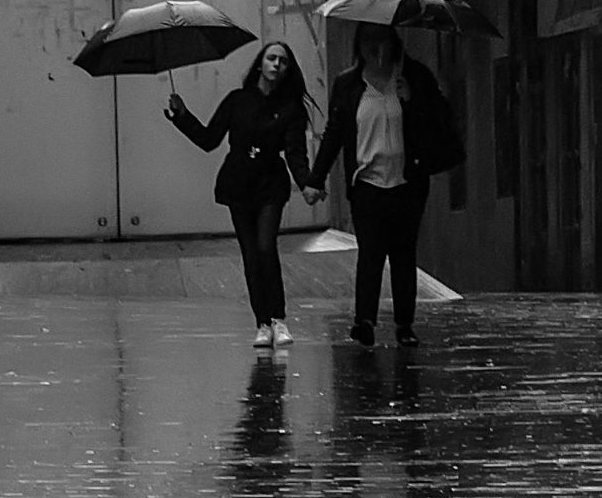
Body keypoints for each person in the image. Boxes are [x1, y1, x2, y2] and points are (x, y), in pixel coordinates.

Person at [312, 23, 464, 351]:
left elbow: (440, 119)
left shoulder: (414, 77)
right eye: (368, 41)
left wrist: (411, 100)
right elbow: (335, 132)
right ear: (359, 45)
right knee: (370, 252)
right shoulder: (348, 84)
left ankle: (404, 324)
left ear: (393, 42)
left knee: (403, 254)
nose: (374, 48)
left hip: (408, 181)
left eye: (380, 40)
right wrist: (315, 178)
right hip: (367, 181)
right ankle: (364, 321)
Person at [165, 43, 322, 349]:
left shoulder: (290, 108)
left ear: (288, 70)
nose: (276, 65)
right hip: (238, 181)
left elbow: (295, 153)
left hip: (270, 183)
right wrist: (182, 116)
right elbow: (209, 139)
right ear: (260, 64)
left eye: (283, 61)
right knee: (250, 254)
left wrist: (306, 183)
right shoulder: (237, 100)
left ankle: (279, 319)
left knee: (265, 247)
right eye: (271, 58)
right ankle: (262, 323)